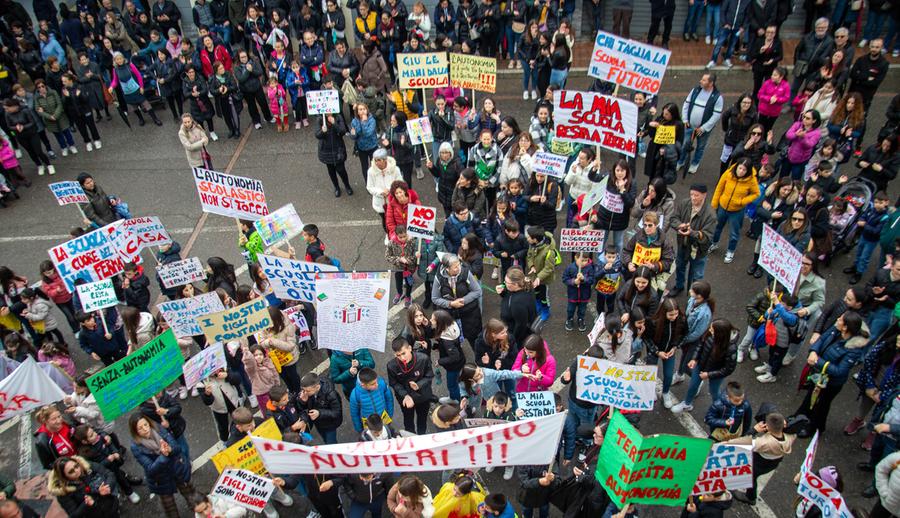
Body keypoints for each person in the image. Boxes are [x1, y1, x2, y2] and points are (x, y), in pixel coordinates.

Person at [793, 311, 868, 437]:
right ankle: (800, 416)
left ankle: (814, 428)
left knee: (821, 404)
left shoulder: (854, 349)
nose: (837, 319)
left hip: (831, 382)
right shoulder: (835, 330)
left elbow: (840, 371)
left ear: (846, 327)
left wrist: (817, 360)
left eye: (840, 319)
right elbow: (821, 339)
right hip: (819, 374)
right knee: (810, 396)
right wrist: (813, 351)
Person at [129, 414, 198, 518]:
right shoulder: (135, 447)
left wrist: (170, 450)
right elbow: (150, 469)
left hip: (177, 469)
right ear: (135, 431)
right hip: (160, 480)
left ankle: (199, 512)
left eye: (145, 424)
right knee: (170, 509)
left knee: (193, 498)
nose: (145, 429)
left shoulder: (159, 429)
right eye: (140, 428)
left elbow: (176, 447)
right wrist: (164, 456)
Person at [672, 318, 737, 414]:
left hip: (716, 373)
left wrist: (709, 374)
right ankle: (687, 403)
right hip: (701, 365)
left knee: (714, 391)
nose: (709, 330)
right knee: (693, 385)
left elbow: (728, 369)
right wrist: (694, 359)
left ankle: (718, 409)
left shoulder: (731, 348)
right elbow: (700, 346)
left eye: (712, 330)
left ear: (720, 334)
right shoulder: (710, 335)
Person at [731, 412, 797, 505]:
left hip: (759, 463)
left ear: (768, 428)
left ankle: (750, 497)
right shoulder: (791, 436)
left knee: (751, 477)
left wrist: (754, 430)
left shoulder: (763, 442)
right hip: (774, 462)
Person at [668, 184, 716, 298]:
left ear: (704, 195)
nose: (693, 198)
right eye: (691, 194)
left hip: (699, 251)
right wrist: (680, 225)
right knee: (680, 267)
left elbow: (707, 237)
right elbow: (673, 218)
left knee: (696, 275)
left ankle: (693, 293)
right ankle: (679, 286)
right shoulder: (684, 203)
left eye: (696, 195)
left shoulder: (711, 215)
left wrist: (692, 233)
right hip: (683, 245)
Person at [710, 158, 760, 264]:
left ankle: (730, 251)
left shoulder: (751, 180)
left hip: (737, 210)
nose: (741, 171)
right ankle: (713, 243)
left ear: (748, 171)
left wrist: (743, 201)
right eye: (740, 168)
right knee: (717, 226)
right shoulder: (728, 173)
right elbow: (719, 187)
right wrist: (714, 203)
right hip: (723, 206)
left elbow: (756, 194)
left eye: (744, 170)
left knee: (734, 233)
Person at [432, 253, 483, 346]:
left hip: (470, 314)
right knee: (454, 341)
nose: (458, 268)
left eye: (459, 264)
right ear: (447, 269)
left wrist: (463, 300)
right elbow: (435, 298)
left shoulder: (466, 273)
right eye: (455, 267)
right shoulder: (439, 278)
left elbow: (477, 291)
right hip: (450, 316)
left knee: (475, 339)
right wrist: (450, 304)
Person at [387, 337, 434, 435]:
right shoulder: (391, 365)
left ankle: (422, 436)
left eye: (404, 353)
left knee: (422, 419)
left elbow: (429, 376)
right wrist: (405, 395)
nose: (402, 358)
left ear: (410, 348)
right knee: (408, 420)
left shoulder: (423, 358)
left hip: (422, 396)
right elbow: (394, 383)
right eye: (398, 355)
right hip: (405, 399)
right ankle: (410, 438)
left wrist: (419, 385)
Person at [680, 73, 723, 174]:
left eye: (704, 80)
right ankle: (681, 161)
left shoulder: (717, 97)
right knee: (685, 144)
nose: (700, 81)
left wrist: (703, 128)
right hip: (689, 126)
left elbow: (716, 115)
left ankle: (695, 164)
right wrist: (685, 119)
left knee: (700, 147)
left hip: (703, 130)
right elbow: (686, 104)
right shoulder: (695, 90)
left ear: (711, 83)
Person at [48, 456, 121, 517]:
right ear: (64, 477)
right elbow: (74, 515)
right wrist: (86, 504)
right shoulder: (62, 491)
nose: (77, 471)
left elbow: (108, 473)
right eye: (71, 471)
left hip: (111, 504)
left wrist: (107, 487)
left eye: (76, 466)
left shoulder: (86, 466)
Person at [845, 191, 892, 284]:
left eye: (880, 203)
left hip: (871, 240)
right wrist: (862, 220)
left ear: (886, 203)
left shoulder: (885, 217)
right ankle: (855, 267)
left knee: (864, 257)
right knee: (859, 252)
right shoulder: (871, 209)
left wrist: (864, 225)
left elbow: (876, 231)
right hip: (864, 236)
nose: (877, 205)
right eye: (876, 202)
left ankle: (859, 273)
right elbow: (863, 216)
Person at [367, 148, 403, 236]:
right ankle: (389, 235)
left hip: (394, 201)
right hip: (380, 203)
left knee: (397, 219)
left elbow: (400, 183)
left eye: (379, 160)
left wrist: (391, 191)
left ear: (385, 160)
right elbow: (369, 187)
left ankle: (398, 235)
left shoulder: (395, 169)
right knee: (385, 220)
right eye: (375, 160)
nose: (376, 163)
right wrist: (380, 192)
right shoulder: (371, 171)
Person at [316, 113, 353, 198]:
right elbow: (317, 135)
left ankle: (347, 185)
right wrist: (322, 131)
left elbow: (343, 131)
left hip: (338, 149)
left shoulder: (338, 117)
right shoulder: (320, 119)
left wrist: (334, 123)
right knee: (331, 171)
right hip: (326, 150)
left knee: (341, 170)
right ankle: (336, 187)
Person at [349, 367, 395, 433]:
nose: (377, 385)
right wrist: (359, 429)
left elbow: (389, 400)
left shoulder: (381, 384)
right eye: (373, 384)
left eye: (376, 381)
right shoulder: (355, 395)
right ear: (363, 385)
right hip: (370, 425)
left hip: (384, 419)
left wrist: (390, 415)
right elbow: (354, 414)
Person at [848, 39, 889, 110]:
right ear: (869, 47)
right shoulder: (861, 59)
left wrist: (859, 78)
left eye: (877, 47)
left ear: (881, 48)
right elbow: (852, 74)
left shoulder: (884, 64)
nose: (874, 49)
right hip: (853, 93)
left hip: (866, 96)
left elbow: (875, 82)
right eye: (872, 47)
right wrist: (867, 77)